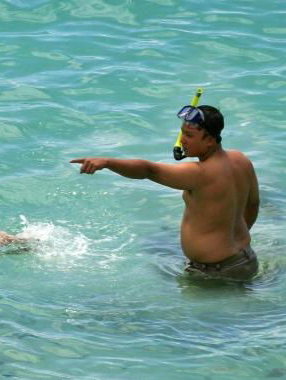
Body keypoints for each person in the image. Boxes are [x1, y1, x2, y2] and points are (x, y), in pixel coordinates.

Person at [70, 105, 260, 280]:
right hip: (246, 259)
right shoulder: (241, 160)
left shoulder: (199, 173)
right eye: (182, 132)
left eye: (189, 135)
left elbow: (148, 170)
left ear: (210, 140)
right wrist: (232, 242)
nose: (182, 139)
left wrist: (107, 162)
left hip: (216, 273)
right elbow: (253, 205)